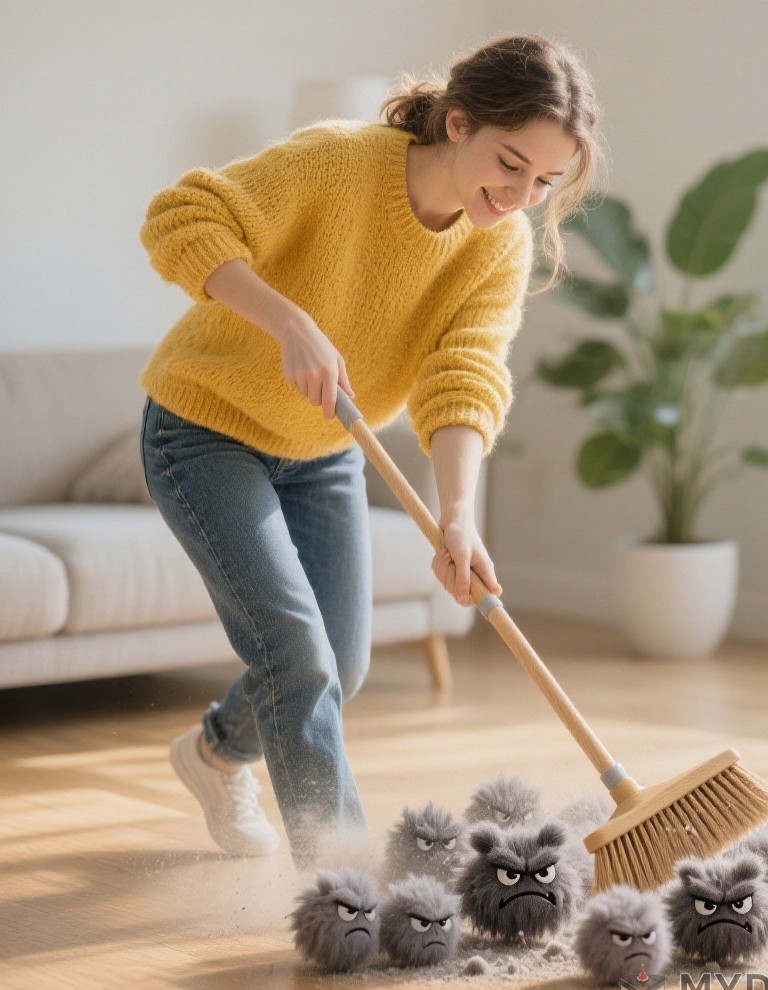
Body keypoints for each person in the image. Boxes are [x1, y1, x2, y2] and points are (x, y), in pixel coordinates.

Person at [139, 34, 602, 868]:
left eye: (545, 181)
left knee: (337, 667)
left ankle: (213, 754)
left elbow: (464, 374)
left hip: (323, 450)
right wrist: (289, 319)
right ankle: (345, 884)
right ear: (458, 123)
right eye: (510, 163)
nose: (521, 195)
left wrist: (457, 514)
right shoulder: (338, 162)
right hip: (204, 429)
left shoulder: (498, 245)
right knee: (297, 654)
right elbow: (181, 218)